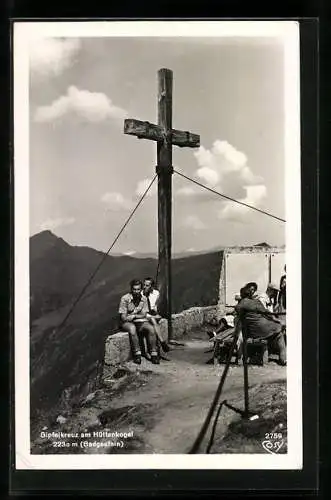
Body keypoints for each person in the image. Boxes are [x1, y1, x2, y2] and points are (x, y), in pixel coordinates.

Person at [235, 284, 286, 366]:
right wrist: (278, 320)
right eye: (252, 291)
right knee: (279, 334)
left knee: (276, 332)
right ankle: (283, 359)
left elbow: (239, 315)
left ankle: (279, 356)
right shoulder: (255, 302)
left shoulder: (239, 306)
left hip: (252, 331)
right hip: (260, 330)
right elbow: (267, 313)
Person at [118, 279, 159, 365]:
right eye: (134, 289)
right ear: (131, 289)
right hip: (126, 323)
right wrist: (133, 317)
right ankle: (137, 354)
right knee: (132, 328)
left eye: (138, 289)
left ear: (141, 289)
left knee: (151, 328)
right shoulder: (125, 298)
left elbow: (144, 314)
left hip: (138, 321)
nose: (136, 291)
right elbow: (123, 317)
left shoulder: (143, 299)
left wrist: (134, 316)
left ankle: (154, 354)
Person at [142, 277, 170, 353]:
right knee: (153, 320)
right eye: (144, 285)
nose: (145, 287)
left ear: (151, 286)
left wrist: (156, 313)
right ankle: (162, 342)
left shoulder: (156, 293)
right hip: (145, 314)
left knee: (154, 318)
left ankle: (157, 347)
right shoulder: (141, 294)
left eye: (147, 285)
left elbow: (156, 306)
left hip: (153, 313)